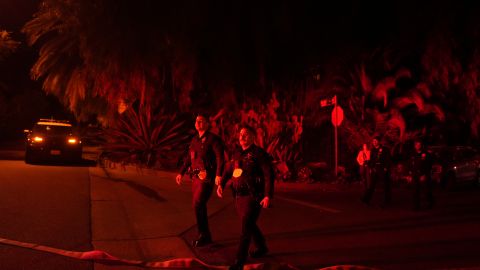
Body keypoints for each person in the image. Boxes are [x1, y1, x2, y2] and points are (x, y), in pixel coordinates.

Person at [217, 125, 274, 270]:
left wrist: (267, 196)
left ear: (253, 137)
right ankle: (261, 247)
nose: (242, 137)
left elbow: (268, 175)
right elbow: (230, 169)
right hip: (238, 196)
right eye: (240, 134)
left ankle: (239, 262)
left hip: (252, 196)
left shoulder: (259, 154)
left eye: (246, 134)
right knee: (248, 223)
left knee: (245, 229)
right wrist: (221, 184)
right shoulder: (237, 153)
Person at [176, 113, 225, 247]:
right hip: (196, 178)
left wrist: (218, 174)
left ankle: (203, 235)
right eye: (197, 121)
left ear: (207, 124)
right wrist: (181, 172)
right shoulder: (194, 140)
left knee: (198, 204)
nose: (198, 123)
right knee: (198, 206)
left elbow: (220, 157)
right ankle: (205, 234)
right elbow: (188, 158)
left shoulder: (213, 140)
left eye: (202, 121)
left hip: (206, 177)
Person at [361, 136, 391, 206]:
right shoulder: (373, 150)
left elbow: (388, 159)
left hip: (382, 169)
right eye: (373, 141)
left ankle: (386, 201)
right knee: (371, 185)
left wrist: (386, 167)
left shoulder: (384, 149)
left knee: (385, 186)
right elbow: (372, 160)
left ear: (378, 141)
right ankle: (366, 199)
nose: (374, 142)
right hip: (375, 169)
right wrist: (369, 165)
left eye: (375, 141)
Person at [409, 139, 434, 210]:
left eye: (419, 145)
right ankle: (416, 206)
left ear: (421, 146)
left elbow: (429, 165)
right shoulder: (412, 154)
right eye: (416, 145)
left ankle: (430, 203)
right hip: (415, 174)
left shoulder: (426, 154)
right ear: (414, 146)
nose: (418, 146)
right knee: (415, 191)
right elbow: (410, 164)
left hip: (423, 175)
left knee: (426, 191)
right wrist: (410, 173)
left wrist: (425, 174)